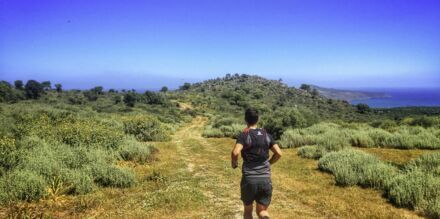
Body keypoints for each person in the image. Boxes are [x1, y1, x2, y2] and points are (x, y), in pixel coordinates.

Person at [231, 108, 282, 219]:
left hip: (249, 180)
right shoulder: (267, 135)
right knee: (262, 211)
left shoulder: (244, 135)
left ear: (245, 119)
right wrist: (269, 163)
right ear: (257, 119)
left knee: (248, 211)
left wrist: (234, 164)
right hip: (265, 180)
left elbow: (235, 152)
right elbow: (278, 153)